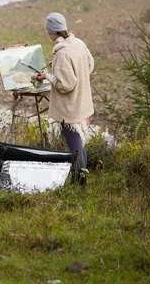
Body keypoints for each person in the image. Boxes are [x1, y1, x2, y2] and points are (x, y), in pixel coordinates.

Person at [36, 12, 94, 186]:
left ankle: (80, 183)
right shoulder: (79, 43)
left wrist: (48, 76)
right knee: (79, 141)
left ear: (52, 33)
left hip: (70, 107)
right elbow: (89, 64)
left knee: (74, 143)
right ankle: (80, 178)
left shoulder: (62, 54)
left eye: (48, 32)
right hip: (82, 102)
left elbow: (65, 85)